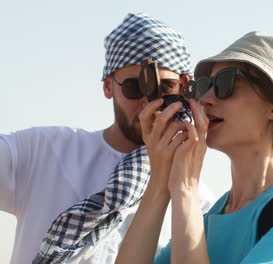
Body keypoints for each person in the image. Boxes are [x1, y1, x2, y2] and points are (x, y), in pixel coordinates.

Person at [0, 13, 214, 264]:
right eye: (134, 87)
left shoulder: (194, 200)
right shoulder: (44, 151)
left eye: (164, 88)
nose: (149, 102)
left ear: (184, 87)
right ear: (108, 87)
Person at [115, 31, 273, 264]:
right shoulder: (208, 219)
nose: (206, 99)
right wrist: (160, 180)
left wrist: (185, 187)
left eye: (226, 83)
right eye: (205, 86)